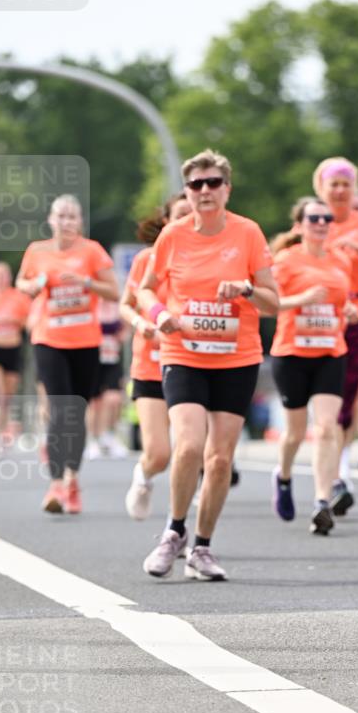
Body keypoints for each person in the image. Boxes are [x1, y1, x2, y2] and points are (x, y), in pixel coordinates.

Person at [138, 149, 279, 581]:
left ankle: (201, 547)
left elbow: (273, 302)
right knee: (188, 446)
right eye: (196, 184)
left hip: (236, 358)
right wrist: (160, 313)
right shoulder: (173, 235)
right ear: (187, 191)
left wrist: (246, 288)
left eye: (213, 183)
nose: (205, 191)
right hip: (184, 354)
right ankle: (173, 531)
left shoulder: (248, 233)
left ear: (227, 189)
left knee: (219, 460)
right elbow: (145, 290)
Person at [16, 194, 119, 513]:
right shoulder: (37, 251)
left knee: (76, 413)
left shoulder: (92, 251)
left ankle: (73, 479)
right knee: (60, 409)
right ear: (51, 220)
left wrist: (85, 282)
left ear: (80, 222)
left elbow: (114, 291)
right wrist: (30, 287)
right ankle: (56, 484)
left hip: (85, 342)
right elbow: (22, 281)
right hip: (48, 338)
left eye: (72, 216)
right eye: (60, 216)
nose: (66, 222)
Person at [270, 197, 356, 535]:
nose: (321, 224)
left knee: (325, 428)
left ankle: (322, 501)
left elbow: (343, 302)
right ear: (300, 225)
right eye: (314, 219)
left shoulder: (341, 260)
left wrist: (349, 311)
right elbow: (268, 303)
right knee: (294, 433)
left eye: (326, 218)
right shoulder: (286, 260)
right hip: (291, 353)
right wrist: (301, 300)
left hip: (330, 353)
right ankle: (283, 475)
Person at [312, 157, 358, 512]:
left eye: (346, 184)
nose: (340, 191)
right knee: (328, 400)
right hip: (320, 320)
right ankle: (332, 474)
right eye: (334, 184)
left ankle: (339, 473)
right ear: (321, 188)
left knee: (353, 394)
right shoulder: (313, 221)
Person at [120, 193, 190, 519]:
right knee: (160, 454)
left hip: (191, 363)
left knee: (192, 446)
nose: (186, 220)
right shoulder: (146, 259)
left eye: (191, 214)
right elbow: (126, 305)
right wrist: (141, 324)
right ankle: (144, 476)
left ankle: (181, 517)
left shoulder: (208, 260)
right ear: (166, 221)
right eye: (180, 214)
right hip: (150, 364)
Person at [0, 262, 31, 454]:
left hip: (13, 349)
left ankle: (1, 433)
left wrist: (13, 320)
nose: (1, 278)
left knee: (6, 396)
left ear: (10, 277)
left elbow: (28, 321)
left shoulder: (19, 297)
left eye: (4, 274)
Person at [85, 298, 129, 459]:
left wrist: (122, 334)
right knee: (95, 403)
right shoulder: (91, 304)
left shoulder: (117, 306)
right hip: (93, 358)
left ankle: (109, 436)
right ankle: (92, 439)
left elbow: (126, 328)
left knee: (114, 399)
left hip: (112, 357)